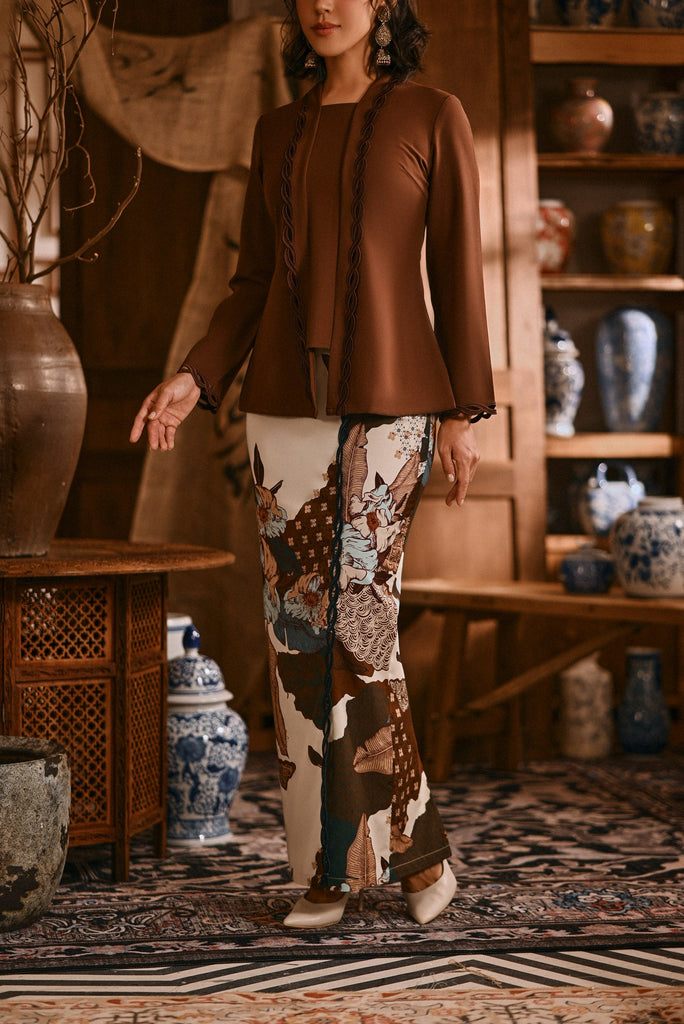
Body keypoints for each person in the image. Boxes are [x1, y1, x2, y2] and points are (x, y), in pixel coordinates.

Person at [130, 0, 495, 929]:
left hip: (397, 405)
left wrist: (464, 410)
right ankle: (355, 861)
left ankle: (361, 861)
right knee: (299, 640)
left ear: (384, 4)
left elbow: (458, 268)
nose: (323, 5)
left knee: (361, 634)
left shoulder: (433, 115)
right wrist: (195, 376)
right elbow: (252, 282)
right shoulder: (276, 130)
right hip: (282, 413)